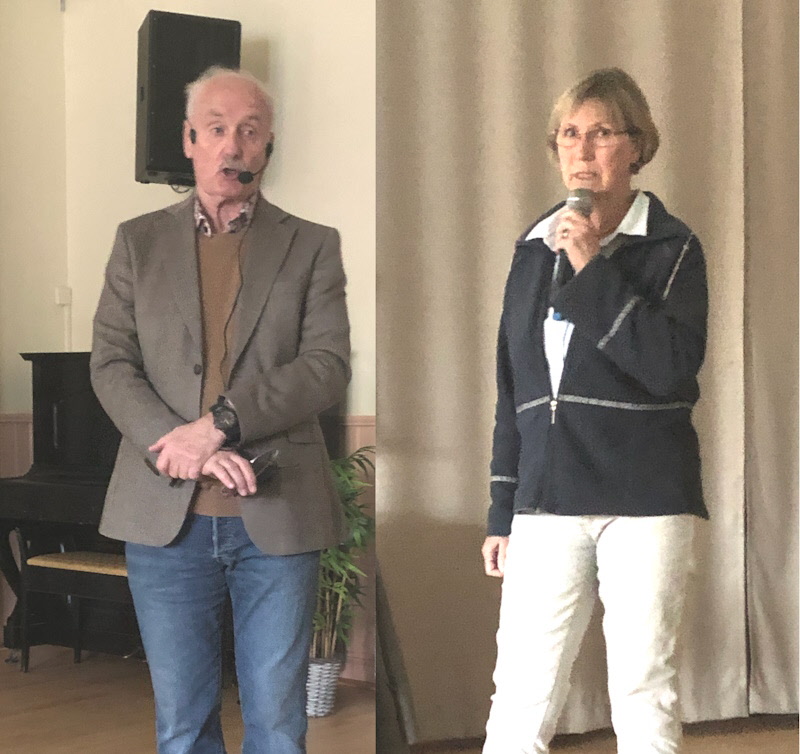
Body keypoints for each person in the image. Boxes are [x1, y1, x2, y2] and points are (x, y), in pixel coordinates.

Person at [90, 66, 350, 754]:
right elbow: (111, 364)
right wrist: (177, 444)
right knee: (182, 728)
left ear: (268, 146)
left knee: (278, 728)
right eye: (216, 129)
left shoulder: (312, 243)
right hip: (163, 517)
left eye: (249, 131)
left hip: (279, 514)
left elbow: (327, 366)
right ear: (189, 141)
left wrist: (219, 427)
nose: (232, 144)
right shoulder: (138, 242)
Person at [481, 67, 708, 754]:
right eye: (569, 134)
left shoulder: (673, 247)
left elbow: (670, 368)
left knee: (642, 688)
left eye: (602, 133)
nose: (582, 151)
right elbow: (514, 388)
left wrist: (590, 267)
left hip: (645, 499)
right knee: (520, 692)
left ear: (637, 147)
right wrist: (503, 508)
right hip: (547, 498)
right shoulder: (532, 248)